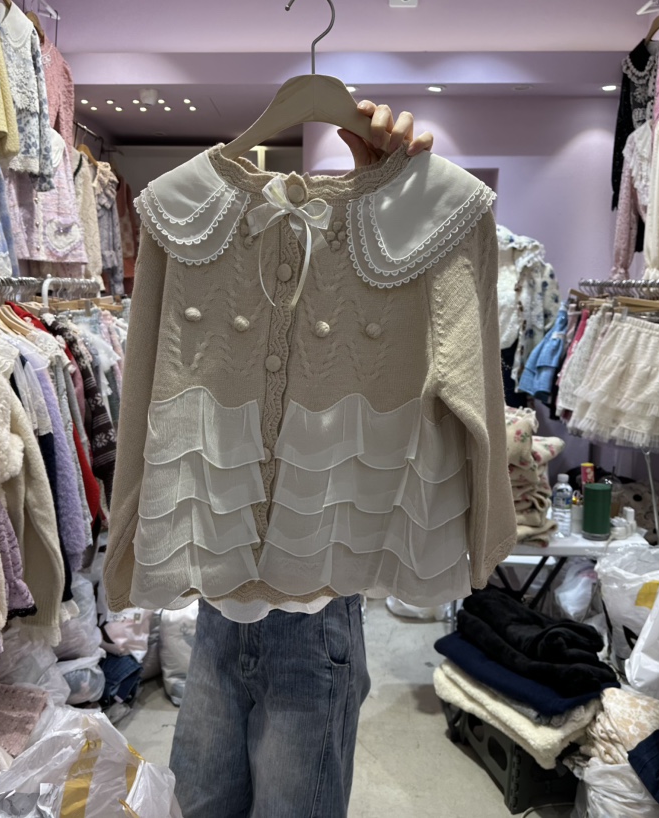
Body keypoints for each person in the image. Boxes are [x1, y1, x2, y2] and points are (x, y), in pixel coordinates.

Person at [168, 102, 435, 818]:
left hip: (315, 608)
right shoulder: (189, 220)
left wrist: (396, 203)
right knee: (196, 806)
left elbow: (439, 378)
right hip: (218, 603)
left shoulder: (396, 242)